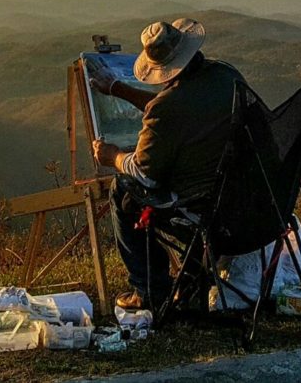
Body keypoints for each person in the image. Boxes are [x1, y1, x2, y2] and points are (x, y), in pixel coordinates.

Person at [88, 16, 246, 312]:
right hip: (251, 205)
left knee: (122, 187)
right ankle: (188, 280)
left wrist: (113, 157)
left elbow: (144, 174)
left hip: (205, 214)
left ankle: (149, 290)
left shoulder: (170, 106)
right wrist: (118, 89)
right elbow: (171, 108)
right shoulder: (227, 77)